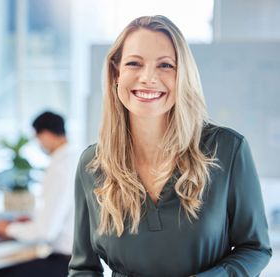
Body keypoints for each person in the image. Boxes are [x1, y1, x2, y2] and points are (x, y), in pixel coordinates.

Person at [69, 15, 272, 277]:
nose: (148, 78)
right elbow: (83, 268)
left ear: (183, 76)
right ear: (116, 74)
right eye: (134, 63)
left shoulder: (227, 150)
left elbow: (255, 248)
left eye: (165, 65)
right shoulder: (92, 164)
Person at [0, 111, 78, 277]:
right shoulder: (76, 159)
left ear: (46, 134)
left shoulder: (60, 169)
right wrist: (32, 221)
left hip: (65, 263)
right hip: (79, 262)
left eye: (38, 138)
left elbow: (46, 231)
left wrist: (8, 228)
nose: (39, 144)